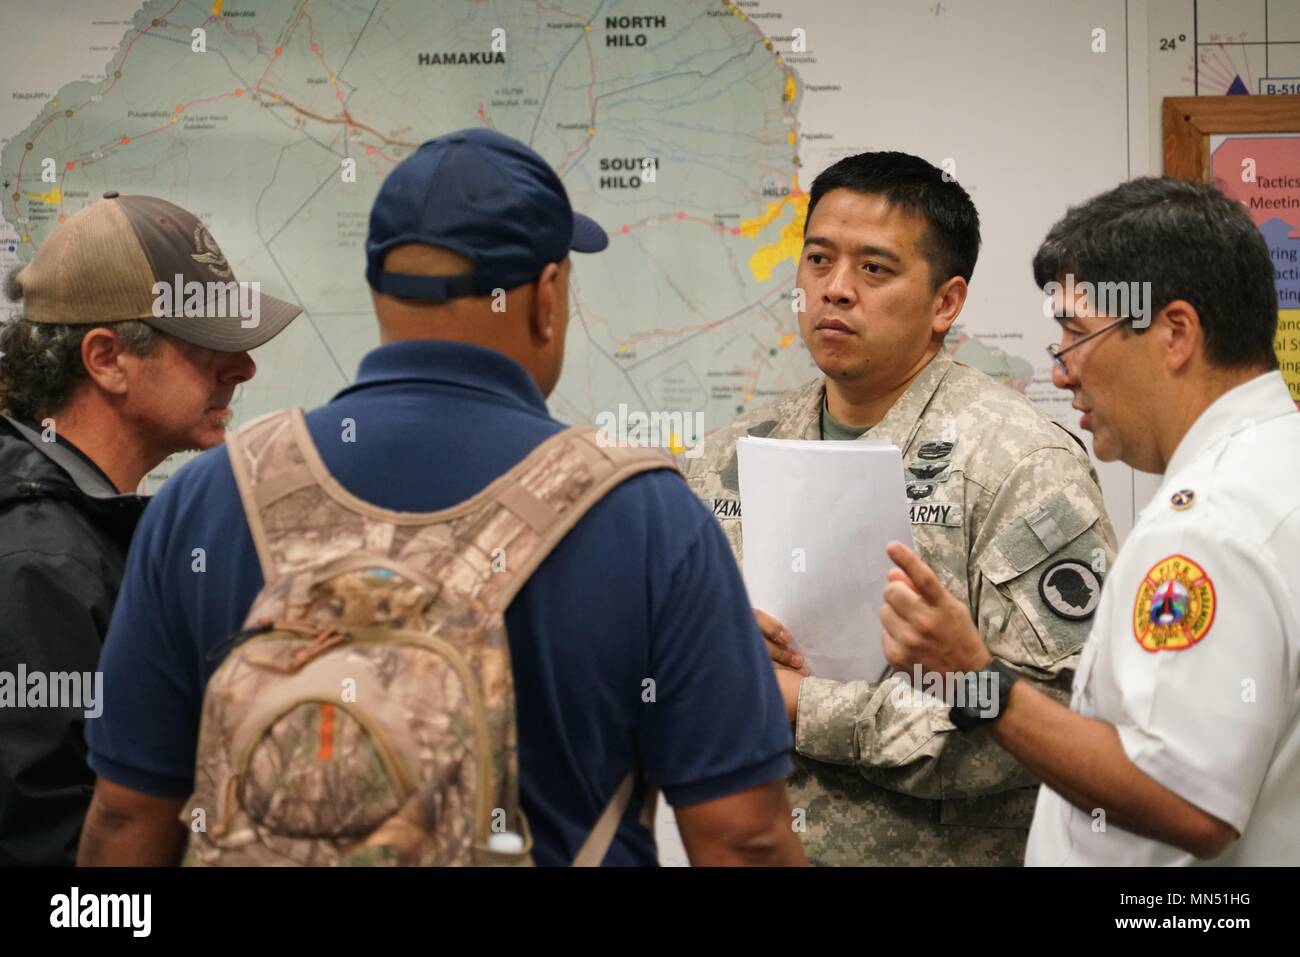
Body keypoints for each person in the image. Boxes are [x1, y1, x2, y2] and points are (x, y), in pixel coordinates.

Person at [77, 129, 806, 867]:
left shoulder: (206, 499)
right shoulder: (647, 518)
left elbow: (126, 818)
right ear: (547, 296)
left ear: (377, 286)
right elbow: (743, 837)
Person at [685, 151, 1117, 865]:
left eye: (874, 269)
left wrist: (798, 702)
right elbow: (666, 681)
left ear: (946, 302)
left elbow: (1056, 723)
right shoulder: (728, 455)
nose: (836, 290)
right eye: (818, 260)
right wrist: (720, 663)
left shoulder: (1019, 463)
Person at [880, 176, 1300, 865]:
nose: (1064, 368)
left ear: (1175, 333)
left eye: (1077, 332)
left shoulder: (1208, 523)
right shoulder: (1277, 462)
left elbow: (1190, 802)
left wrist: (972, 679)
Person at [0, 192, 300, 864]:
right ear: (106, 359)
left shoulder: (75, 522)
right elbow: (49, 852)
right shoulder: (41, 564)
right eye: (206, 343)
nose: (244, 366)